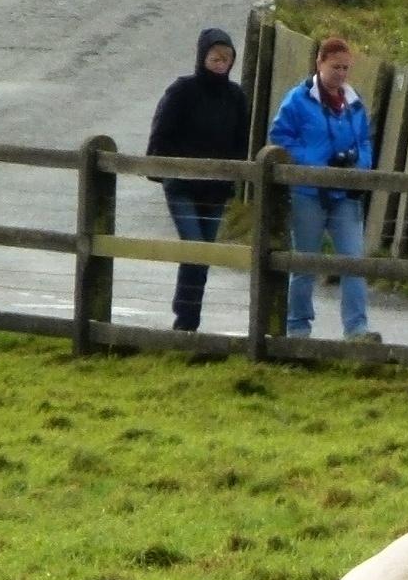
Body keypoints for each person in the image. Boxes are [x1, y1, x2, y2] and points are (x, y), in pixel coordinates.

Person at [268, 35, 380, 343]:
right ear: (319, 63)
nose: (341, 75)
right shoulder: (297, 100)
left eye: (346, 68)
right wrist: (319, 164)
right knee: (305, 262)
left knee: (353, 261)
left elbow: (365, 142)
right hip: (308, 193)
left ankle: (357, 329)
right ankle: (298, 328)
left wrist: (359, 169)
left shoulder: (355, 103)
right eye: (335, 67)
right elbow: (280, 140)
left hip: (345, 194)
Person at [145, 27, 251, 332]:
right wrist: (165, 169)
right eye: (215, 58)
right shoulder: (182, 91)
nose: (220, 64)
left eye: (226, 60)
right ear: (202, 57)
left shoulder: (235, 97)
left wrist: (231, 174)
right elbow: (161, 133)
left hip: (216, 191)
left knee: (204, 254)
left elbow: (240, 142)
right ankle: (185, 318)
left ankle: (190, 318)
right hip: (182, 187)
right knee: (193, 246)